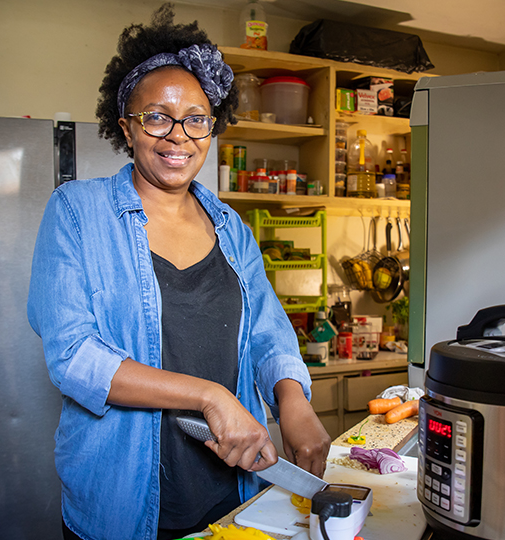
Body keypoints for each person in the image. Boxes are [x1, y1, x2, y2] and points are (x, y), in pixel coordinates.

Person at [27, 5, 332, 540]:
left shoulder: (230, 226)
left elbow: (265, 328)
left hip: (231, 494)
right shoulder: (77, 212)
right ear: (126, 126)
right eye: (156, 117)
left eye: (196, 118)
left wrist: (292, 400)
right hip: (120, 507)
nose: (178, 136)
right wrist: (210, 395)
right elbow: (75, 357)